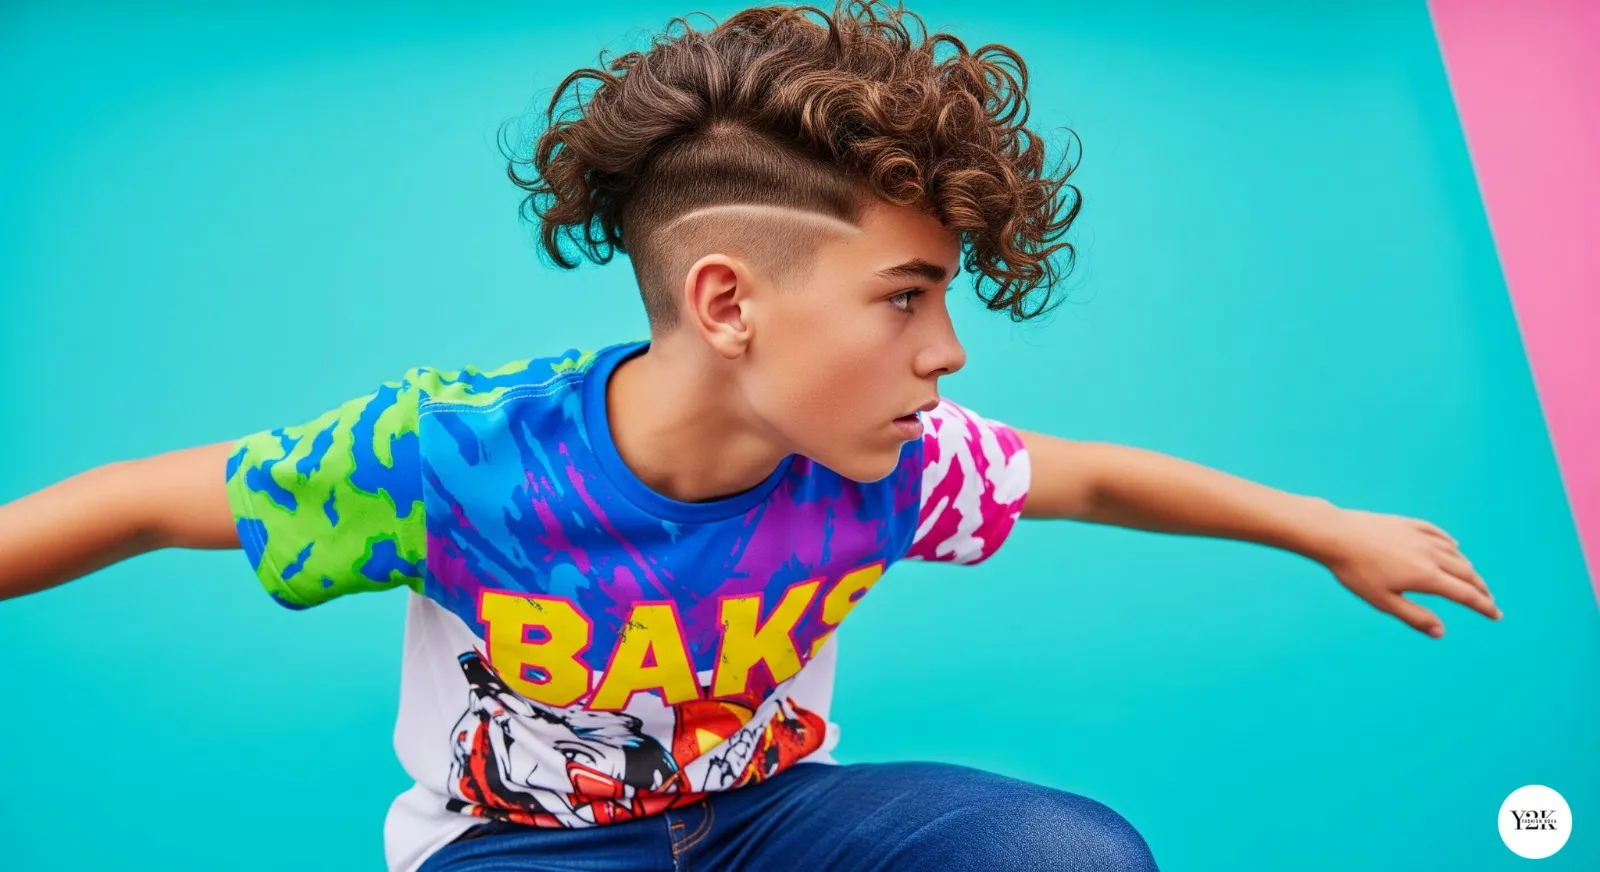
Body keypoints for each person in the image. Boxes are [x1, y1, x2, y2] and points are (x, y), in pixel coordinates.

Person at [0, 2, 1501, 870]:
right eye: (906, 297)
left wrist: (1327, 526)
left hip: (768, 822)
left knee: (1069, 856)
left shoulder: (898, 457)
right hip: (515, 844)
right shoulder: (451, 458)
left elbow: (1091, 475)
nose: (948, 352)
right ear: (728, 302)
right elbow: (144, 505)